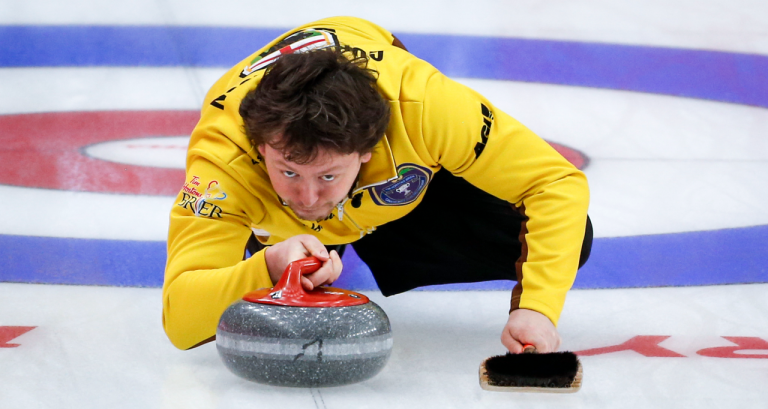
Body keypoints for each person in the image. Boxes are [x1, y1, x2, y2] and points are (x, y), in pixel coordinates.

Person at [162, 16, 592, 353]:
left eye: (327, 175)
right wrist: (268, 266)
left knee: (571, 240)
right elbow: (181, 320)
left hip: (395, 186)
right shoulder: (225, 158)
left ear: (368, 150)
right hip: (294, 214)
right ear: (259, 148)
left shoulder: (427, 109)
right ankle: (309, 232)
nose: (307, 199)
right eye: (288, 171)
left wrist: (537, 308)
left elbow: (554, 184)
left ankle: (355, 226)